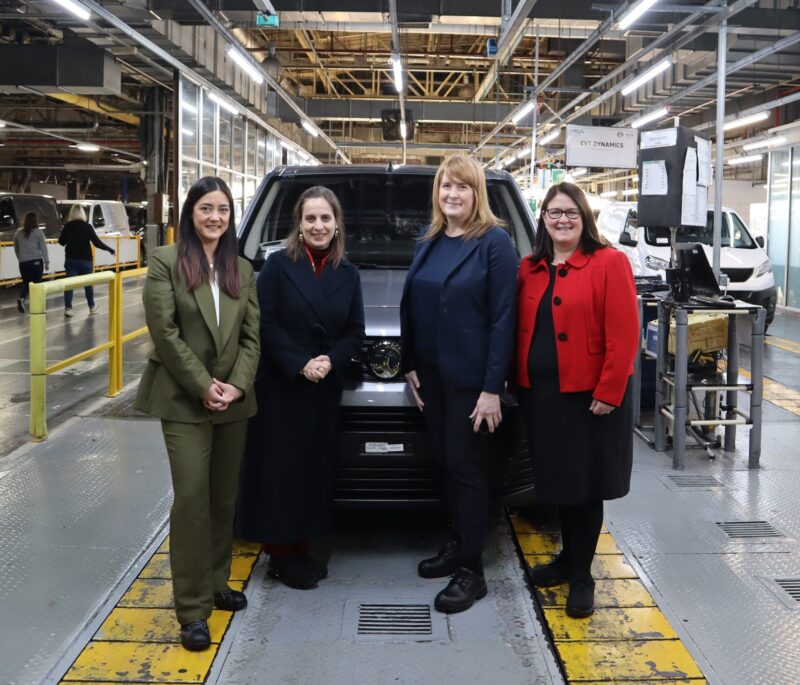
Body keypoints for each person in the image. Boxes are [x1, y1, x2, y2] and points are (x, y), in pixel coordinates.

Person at [134, 177, 260, 651]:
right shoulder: (166, 262)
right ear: (191, 213)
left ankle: (216, 581)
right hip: (185, 398)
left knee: (222, 498)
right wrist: (204, 385)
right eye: (206, 208)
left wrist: (236, 386)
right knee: (191, 498)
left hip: (233, 400)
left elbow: (252, 337)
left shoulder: (241, 269)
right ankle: (192, 609)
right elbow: (165, 333)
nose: (215, 217)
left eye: (223, 210)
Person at [515, 182, 639, 619]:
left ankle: (583, 576)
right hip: (542, 397)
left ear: (584, 218)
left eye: (571, 212)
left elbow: (624, 335)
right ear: (543, 219)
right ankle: (567, 560)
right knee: (560, 485)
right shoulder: (530, 268)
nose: (562, 220)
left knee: (585, 489)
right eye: (553, 212)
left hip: (589, 400)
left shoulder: (610, 263)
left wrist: (609, 391)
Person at [400, 155, 517, 614]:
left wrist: (492, 388)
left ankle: (473, 569)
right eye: (446, 186)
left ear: (476, 194)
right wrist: (410, 362)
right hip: (431, 376)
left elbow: (504, 318)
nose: (452, 194)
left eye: (462, 187)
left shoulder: (494, 243)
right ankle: (458, 542)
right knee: (446, 463)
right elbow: (414, 304)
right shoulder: (429, 240)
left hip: (471, 382)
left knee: (467, 470)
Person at [236, 186, 364, 590]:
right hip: (285, 383)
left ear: (337, 223)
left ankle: (307, 545)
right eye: (310, 219)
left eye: (325, 218)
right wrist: (299, 363)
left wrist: (332, 360)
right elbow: (265, 323)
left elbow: (355, 331)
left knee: (316, 470)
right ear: (299, 224)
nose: (318, 226)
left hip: (324, 384)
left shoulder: (349, 272)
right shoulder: (277, 266)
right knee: (283, 471)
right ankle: (282, 555)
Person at [58, 204, 115, 316]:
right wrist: (110, 249)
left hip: (71, 259)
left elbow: (61, 242)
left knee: (69, 284)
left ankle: (68, 309)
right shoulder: (87, 227)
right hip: (86, 260)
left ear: (72, 214)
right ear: (83, 214)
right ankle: (92, 307)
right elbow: (97, 243)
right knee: (88, 284)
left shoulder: (67, 226)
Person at [13, 211, 49, 313]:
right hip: (36, 262)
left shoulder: (18, 233)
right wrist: (46, 262)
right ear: (35, 221)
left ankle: (21, 298)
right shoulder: (38, 233)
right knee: (37, 284)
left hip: (23, 263)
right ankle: (38, 307)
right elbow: (43, 248)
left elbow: (16, 248)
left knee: (26, 284)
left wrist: (21, 259)